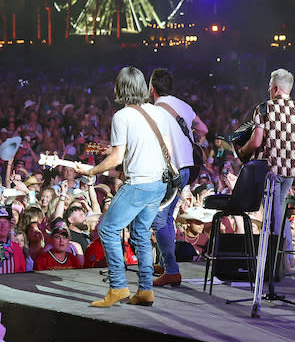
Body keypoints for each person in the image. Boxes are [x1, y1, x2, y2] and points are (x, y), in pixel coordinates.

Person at [75, 66, 173, 307]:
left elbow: (116, 159)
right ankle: (145, 291)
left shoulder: (121, 116)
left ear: (119, 88)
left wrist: (91, 170)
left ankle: (118, 287)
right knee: (140, 233)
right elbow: (167, 150)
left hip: (139, 184)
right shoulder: (159, 112)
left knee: (108, 229)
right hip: (160, 184)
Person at [239, 68, 295, 261]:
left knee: (272, 214)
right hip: (290, 171)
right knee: (278, 211)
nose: (269, 90)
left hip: (270, 170)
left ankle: (276, 261)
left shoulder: (264, 108)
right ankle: (284, 261)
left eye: (270, 87)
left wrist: (242, 151)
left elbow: (255, 141)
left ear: (276, 88)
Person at [148, 68, 208, 287]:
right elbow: (203, 128)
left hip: (170, 171)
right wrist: (191, 142)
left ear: (151, 89)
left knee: (158, 219)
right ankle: (165, 263)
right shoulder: (183, 105)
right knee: (168, 217)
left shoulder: (153, 110)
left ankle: (172, 270)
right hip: (186, 168)